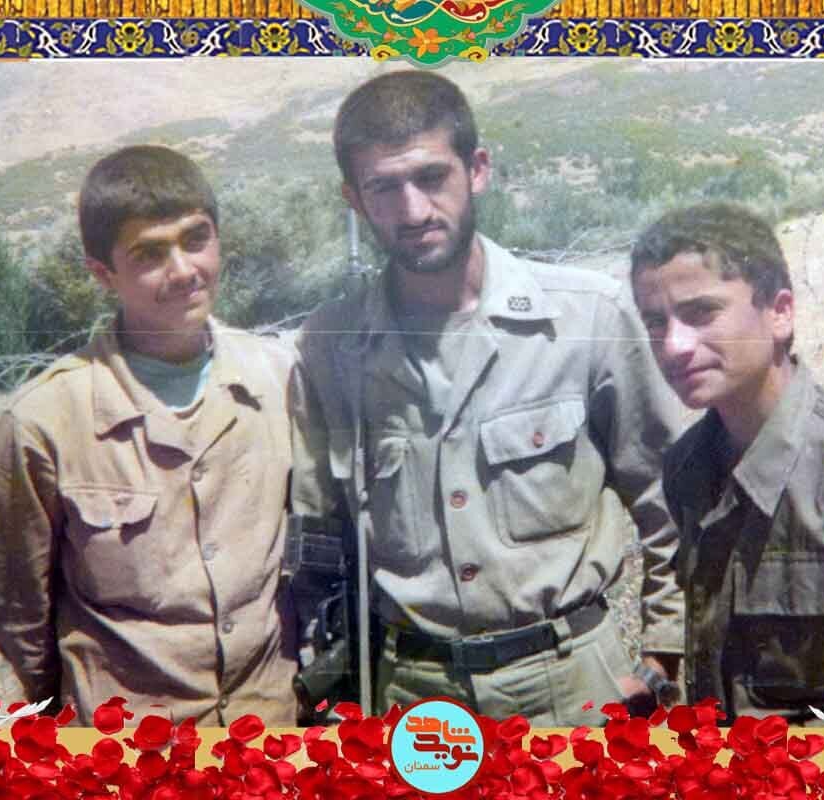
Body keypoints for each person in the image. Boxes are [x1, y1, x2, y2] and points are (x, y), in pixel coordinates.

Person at [287, 71, 684, 726]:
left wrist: (664, 653)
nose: (414, 211)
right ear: (353, 199)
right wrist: (325, 670)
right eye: (384, 187)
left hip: (575, 684)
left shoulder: (584, 316)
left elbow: (669, 496)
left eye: (431, 177)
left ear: (477, 169)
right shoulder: (332, 345)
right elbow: (317, 532)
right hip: (413, 695)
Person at [0, 145, 297, 725]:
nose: (183, 270)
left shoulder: (275, 379)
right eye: (149, 254)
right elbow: (17, 608)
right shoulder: (46, 420)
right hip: (124, 743)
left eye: (196, 239)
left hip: (267, 730)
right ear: (103, 273)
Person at [629, 202, 824, 721]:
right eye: (656, 322)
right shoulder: (687, 469)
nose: (673, 346)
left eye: (701, 313)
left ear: (780, 312)